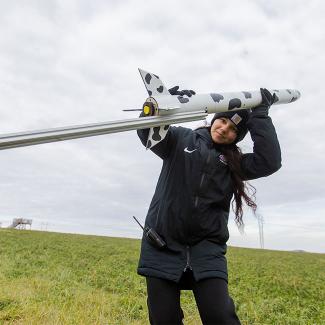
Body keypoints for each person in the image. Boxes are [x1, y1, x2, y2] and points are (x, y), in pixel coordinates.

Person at [137, 86, 281, 325]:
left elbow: (270, 161)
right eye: (223, 120)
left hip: (207, 251)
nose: (224, 129)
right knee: (164, 319)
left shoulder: (235, 163)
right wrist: (161, 106)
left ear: (238, 136)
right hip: (161, 244)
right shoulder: (180, 138)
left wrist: (260, 116)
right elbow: (148, 134)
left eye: (233, 129)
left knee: (221, 317)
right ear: (215, 118)